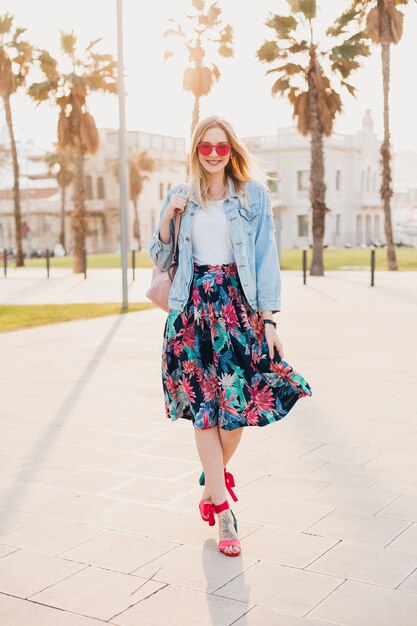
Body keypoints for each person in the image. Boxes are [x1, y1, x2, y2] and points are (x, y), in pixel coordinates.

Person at [148, 115, 312, 557]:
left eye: (222, 147)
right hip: (193, 312)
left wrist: (270, 320)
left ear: (232, 150)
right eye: (207, 147)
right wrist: (168, 216)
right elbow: (160, 253)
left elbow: (265, 259)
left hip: (239, 312)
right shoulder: (180, 195)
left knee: (236, 411)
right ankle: (223, 512)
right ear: (196, 150)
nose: (215, 154)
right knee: (205, 410)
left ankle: (211, 479)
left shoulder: (253, 196)